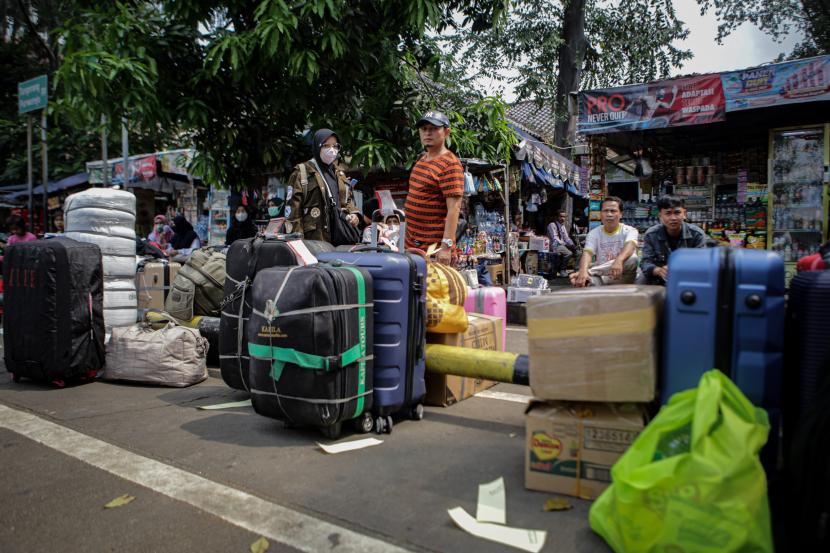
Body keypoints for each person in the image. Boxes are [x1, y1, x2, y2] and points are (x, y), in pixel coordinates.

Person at [404, 110, 464, 265]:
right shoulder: (421, 160)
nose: (427, 133)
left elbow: (454, 208)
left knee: (435, 289)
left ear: (446, 132)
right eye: (424, 129)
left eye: (433, 129)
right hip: (412, 247)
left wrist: (446, 247)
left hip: (434, 250)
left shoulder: (450, 164)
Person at [285, 128, 360, 243]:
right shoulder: (302, 172)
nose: (332, 150)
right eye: (326, 145)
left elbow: (347, 200)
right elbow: (293, 212)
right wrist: (297, 241)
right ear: (317, 147)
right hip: (315, 240)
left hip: (341, 237)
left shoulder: (339, 173)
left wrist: (354, 214)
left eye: (335, 146)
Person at [571, 196, 639, 287]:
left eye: (613, 211)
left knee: (633, 259)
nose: (609, 214)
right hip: (602, 277)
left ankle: (589, 272)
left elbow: (630, 246)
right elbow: (587, 253)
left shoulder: (630, 230)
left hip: (624, 277)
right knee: (583, 281)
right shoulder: (594, 233)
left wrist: (619, 260)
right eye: (605, 211)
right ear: (600, 214)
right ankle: (586, 274)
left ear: (621, 214)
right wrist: (583, 272)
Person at [640, 196, 707, 285]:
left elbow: (702, 262)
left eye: (677, 212)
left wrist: (680, 269)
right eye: (668, 213)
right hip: (659, 279)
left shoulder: (696, 234)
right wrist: (658, 270)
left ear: (684, 214)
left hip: (688, 278)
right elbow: (645, 262)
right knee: (640, 282)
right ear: (660, 215)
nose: (673, 218)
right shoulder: (651, 234)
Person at [547, 209, 577, 276]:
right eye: (561, 216)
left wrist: (572, 244)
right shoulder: (552, 225)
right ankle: (562, 270)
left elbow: (566, 238)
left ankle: (576, 270)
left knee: (577, 251)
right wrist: (566, 244)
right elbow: (555, 238)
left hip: (561, 245)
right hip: (554, 245)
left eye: (564, 217)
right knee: (568, 253)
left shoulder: (562, 226)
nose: (563, 218)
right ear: (557, 217)